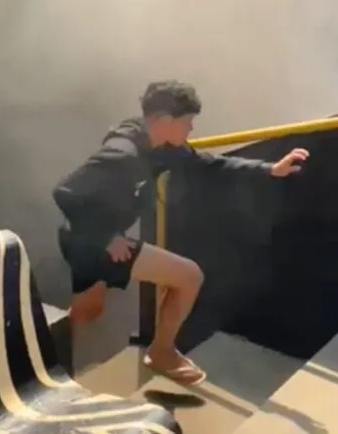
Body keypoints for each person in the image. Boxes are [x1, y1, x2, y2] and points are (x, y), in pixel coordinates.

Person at [52, 80, 309, 386]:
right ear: (162, 120)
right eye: (187, 122)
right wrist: (109, 236)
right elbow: (65, 191)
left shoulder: (163, 146)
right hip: (94, 243)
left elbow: (210, 164)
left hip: (87, 241)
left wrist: (270, 169)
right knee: (189, 276)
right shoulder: (122, 154)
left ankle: (41, 357)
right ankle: (160, 352)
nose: (190, 129)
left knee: (87, 311)